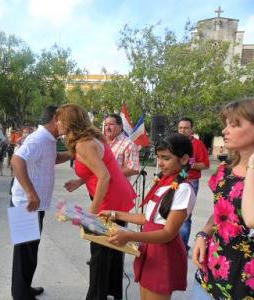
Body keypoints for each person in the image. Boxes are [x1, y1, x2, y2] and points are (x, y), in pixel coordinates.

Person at [101, 133, 195, 300]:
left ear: (184, 159)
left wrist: (129, 235)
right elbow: (148, 218)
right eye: (158, 157)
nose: (160, 163)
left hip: (163, 252)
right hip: (150, 247)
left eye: (166, 158)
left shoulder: (184, 189)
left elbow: (168, 233)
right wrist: (115, 213)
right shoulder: (164, 182)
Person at [58, 103, 136, 300]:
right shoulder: (89, 139)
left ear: (69, 122)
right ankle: (112, 293)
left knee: (100, 253)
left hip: (110, 199)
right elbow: (94, 165)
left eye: (59, 118)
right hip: (116, 195)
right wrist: (80, 181)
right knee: (113, 249)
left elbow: (104, 176)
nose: (57, 122)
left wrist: (90, 215)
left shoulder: (84, 144)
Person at [192, 98, 254, 299]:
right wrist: (203, 234)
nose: (225, 130)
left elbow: (250, 219)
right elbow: (221, 212)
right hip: (212, 270)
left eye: (234, 125)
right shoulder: (224, 172)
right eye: (226, 124)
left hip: (245, 282)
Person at [11, 105, 70, 300]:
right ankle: (20, 295)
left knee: (30, 253)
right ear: (56, 118)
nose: (68, 126)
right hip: (25, 205)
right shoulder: (38, 138)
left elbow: (51, 159)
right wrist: (30, 192)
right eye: (66, 120)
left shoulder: (49, 139)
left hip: (36, 205)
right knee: (24, 255)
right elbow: (17, 160)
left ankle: (25, 288)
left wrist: (72, 154)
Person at [177, 117, 210, 250]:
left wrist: (191, 164)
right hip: (174, 179)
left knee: (185, 215)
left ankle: (182, 247)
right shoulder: (174, 143)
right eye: (180, 128)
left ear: (192, 130)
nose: (182, 130)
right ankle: (173, 243)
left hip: (191, 181)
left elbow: (206, 165)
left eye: (186, 128)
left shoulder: (198, 144)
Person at [104, 113, 140, 177]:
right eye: (106, 125)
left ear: (120, 127)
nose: (107, 128)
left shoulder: (128, 144)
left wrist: (109, 174)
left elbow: (133, 169)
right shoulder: (101, 142)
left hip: (117, 185)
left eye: (111, 124)